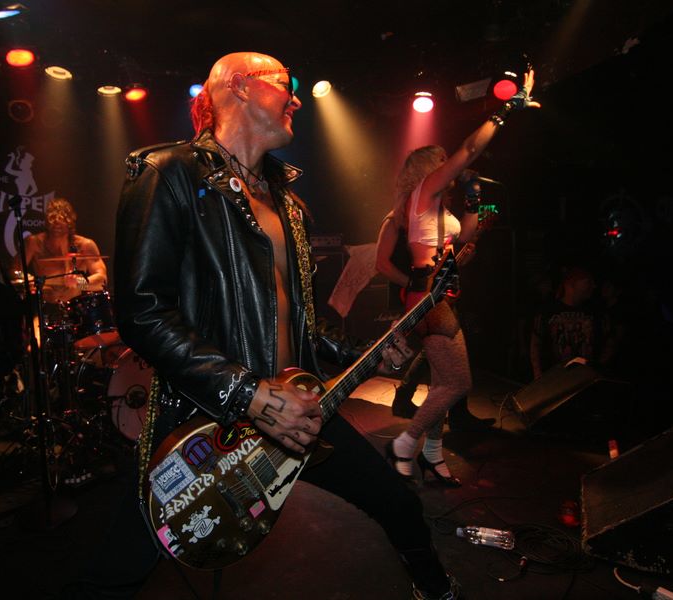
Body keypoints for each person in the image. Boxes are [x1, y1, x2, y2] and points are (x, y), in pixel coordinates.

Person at [62, 52, 457, 600]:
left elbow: (302, 324)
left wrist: (362, 353)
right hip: (205, 418)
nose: (295, 97)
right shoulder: (167, 173)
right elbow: (143, 314)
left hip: (300, 406)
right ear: (240, 87)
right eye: (283, 83)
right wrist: (249, 394)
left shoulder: (289, 205)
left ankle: (436, 590)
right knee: (127, 558)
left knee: (398, 504)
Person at [376, 70, 540, 485]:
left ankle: (432, 454)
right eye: (442, 160)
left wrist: (473, 200)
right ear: (430, 168)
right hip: (429, 296)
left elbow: (465, 236)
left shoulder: (436, 205)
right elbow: (469, 149)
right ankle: (405, 442)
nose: (449, 163)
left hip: (440, 294)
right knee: (458, 382)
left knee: (443, 382)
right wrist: (504, 112)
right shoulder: (424, 192)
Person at [530, 266, 613, 380]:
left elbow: (610, 341)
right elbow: (535, 343)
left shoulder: (596, 311)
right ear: (571, 284)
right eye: (588, 281)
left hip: (586, 378)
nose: (593, 286)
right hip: (555, 377)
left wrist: (598, 368)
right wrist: (538, 373)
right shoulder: (548, 310)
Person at [21, 197, 108, 305]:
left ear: (70, 222)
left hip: (76, 307)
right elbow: (14, 272)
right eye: (53, 220)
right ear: (47, 222)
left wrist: (79, 283)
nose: (57, 225)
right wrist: (33, 283)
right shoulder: (34, 243)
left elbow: (102, 281)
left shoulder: (85, 245)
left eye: (62, 221)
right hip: (43, 306)